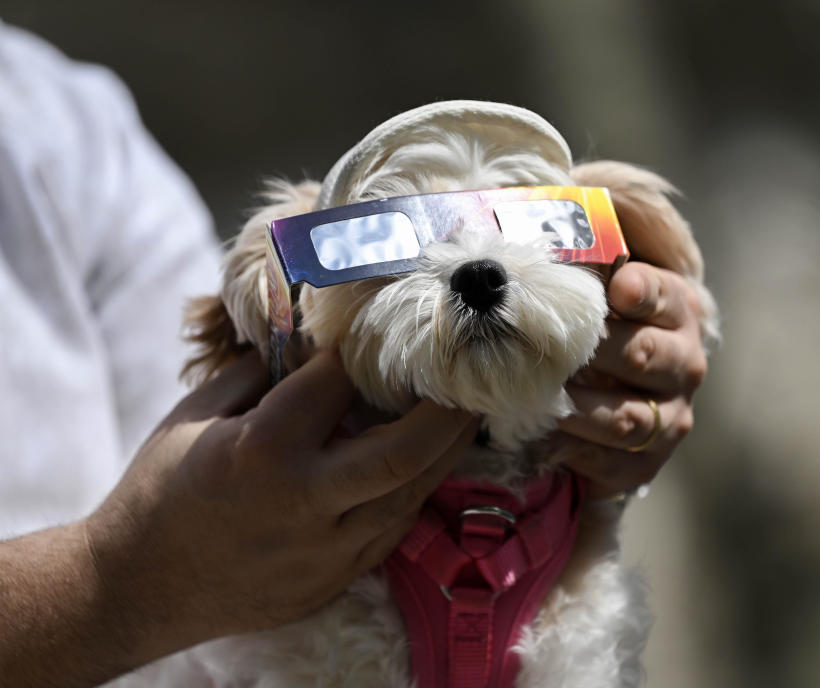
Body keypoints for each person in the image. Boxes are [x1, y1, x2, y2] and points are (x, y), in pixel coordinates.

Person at [0, 23, 709, 688]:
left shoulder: (64, 124)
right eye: (392, 254)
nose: (478, 265)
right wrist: (116, 584)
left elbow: (186, 430)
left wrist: (634, 387)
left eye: (534, 230)